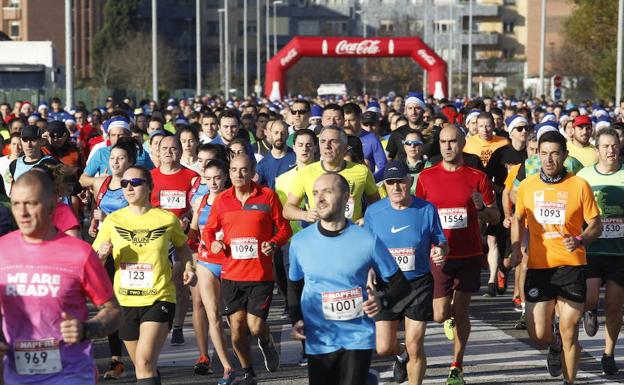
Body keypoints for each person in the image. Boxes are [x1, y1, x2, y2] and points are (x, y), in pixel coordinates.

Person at [288, 172, 410, 385]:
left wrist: (381, 300)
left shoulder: (367, 240)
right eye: (316, 193)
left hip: (358, 335)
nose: (320, 198)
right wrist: (296, 318)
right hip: (319, 336)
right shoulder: (300, 242)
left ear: (346, 198)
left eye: (328, 191)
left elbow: (400, 284)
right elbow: (294, 285)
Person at [0, 170, 120, 385]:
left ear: (52, 207)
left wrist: (87, 329)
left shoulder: (79, 254)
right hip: (16, 376)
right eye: (16, 204)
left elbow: (113, 311)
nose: (22, 212)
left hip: (70, 374)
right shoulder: (2, 250)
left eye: (31, 203)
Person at [512, 131, 601, 385]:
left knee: (570, 329)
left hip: (571, 266)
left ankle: (569, 381)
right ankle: (554, 344)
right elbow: (518, 219)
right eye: (543, 153)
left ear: (564, 155)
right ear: (537, 154)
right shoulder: (528, 185)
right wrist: (517, 245)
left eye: (554, 153)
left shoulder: (578, 185)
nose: (548, 159)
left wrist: (581, 239)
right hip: (540, 268)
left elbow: (596, 224)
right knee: (538, 333)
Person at [93, 165, 196, 385]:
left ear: (149, 187)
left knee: (144, 360)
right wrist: (102, 255)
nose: (128, 187)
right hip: (125, 301)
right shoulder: (113, 221)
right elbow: (95, 262)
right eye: (124, 184)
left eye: (135, 183)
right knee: (144, 366)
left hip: (159, 297)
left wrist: (188, 268)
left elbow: (182, 247)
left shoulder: (166, 219)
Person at [415, 124, 499, 385]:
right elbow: (418, 217)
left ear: (462, 144)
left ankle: (456, 366)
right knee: (440, 314)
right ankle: (448, 320)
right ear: (438, 144)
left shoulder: (477, 177)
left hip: (469, 253)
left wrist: (481, 209)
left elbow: (495, 216)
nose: (448, 146)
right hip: (440, 255)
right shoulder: (426, 177)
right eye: (443, 142)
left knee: (461, 310)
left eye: (452, 141)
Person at [202, 155, 292, 385]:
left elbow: (284, 229)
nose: (238, 175)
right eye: (234, 170)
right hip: (232, 274)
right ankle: (248, 371)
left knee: (255, 325)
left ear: (252, 171)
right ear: (229, 173)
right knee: (237, 329)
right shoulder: (222, 200)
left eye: (243, 170)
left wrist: (273, 242)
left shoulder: (267, 196)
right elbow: (209, 231)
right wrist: (214, 243)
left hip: (260, 274)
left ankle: (266, 340)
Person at [365, 161, 448, 385]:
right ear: (384, 186)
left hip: (417, 284)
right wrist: (369, 272)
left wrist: (440, 251)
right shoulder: (374, 212)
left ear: (409, 181)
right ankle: (400, 354)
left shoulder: (426, 209)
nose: (396, 187)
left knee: (416, 344)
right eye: (390, 183)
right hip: (386, 286)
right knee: (383, 348)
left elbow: (440, 242)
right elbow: (367, 251)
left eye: (400, 181)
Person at [88, 138, 137, 379]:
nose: (115, 162)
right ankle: (116, 360)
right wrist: (95, 222)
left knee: (129, 304)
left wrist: (109, 217)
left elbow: (136, 217)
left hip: (129, 249)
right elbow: (97, 216)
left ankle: (142, 356)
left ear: (130, 161)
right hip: (103, 249)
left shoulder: (134, 185)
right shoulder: (102, 183)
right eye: (112, 158)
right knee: (110, 303)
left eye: (120, 158)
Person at [576, 128, 624, 375]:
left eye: (614, 145)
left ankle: (608, 353)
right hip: (592, 249)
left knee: (615, 306)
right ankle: (590, 310)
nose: (611, 150)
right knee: (591, 296)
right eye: (605, 146)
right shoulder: (584, 176)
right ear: (597, 151)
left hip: (619, 253)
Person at [187, 160, 236, 383]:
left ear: (225, 177)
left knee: (236, 320)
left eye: (217, 178)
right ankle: (227, 367)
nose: (213, 183)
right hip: (207, 261)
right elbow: (193, 232)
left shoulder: (234, 199)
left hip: (232, 263)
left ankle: (244, 354)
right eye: (208, 179)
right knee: (213, 315)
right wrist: (192, 256)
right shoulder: (202, 200)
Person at [150, 135, 200, 345]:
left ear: (180, 152)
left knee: (179, 281)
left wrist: (188, 219)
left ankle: (177, 326)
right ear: (158, 152)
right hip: (156, 236)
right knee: (159, 281)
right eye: (165, 148)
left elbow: (196, 205)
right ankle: (160, 321)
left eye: (173, 148)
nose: (169, 152)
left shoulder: (192, 177)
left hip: (181, 236)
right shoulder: (149, 176)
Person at [284, 126, 379, 225]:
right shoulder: (306, 172)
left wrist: (366, 218)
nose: (327, 145)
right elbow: (287, 209)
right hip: (319, 236)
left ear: (345, 147)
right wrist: (305, 215)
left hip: (351, 234)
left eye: (333, 141)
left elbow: (376, 202)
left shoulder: (361, 171)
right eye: (323, 141)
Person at [343, 103, 387, 181]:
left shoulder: (372, 139)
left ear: (360, 118)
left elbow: (383, 168)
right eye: (345, 120)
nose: (347, 124)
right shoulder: (337, 138)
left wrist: (369, 182)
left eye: (351, 120)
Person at [256, 120, 296, 189]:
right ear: (271, 134)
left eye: (283, 133)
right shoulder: (262, 165)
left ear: (288, 135)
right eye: (276, 133)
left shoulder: (297, 158)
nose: (279, 136)